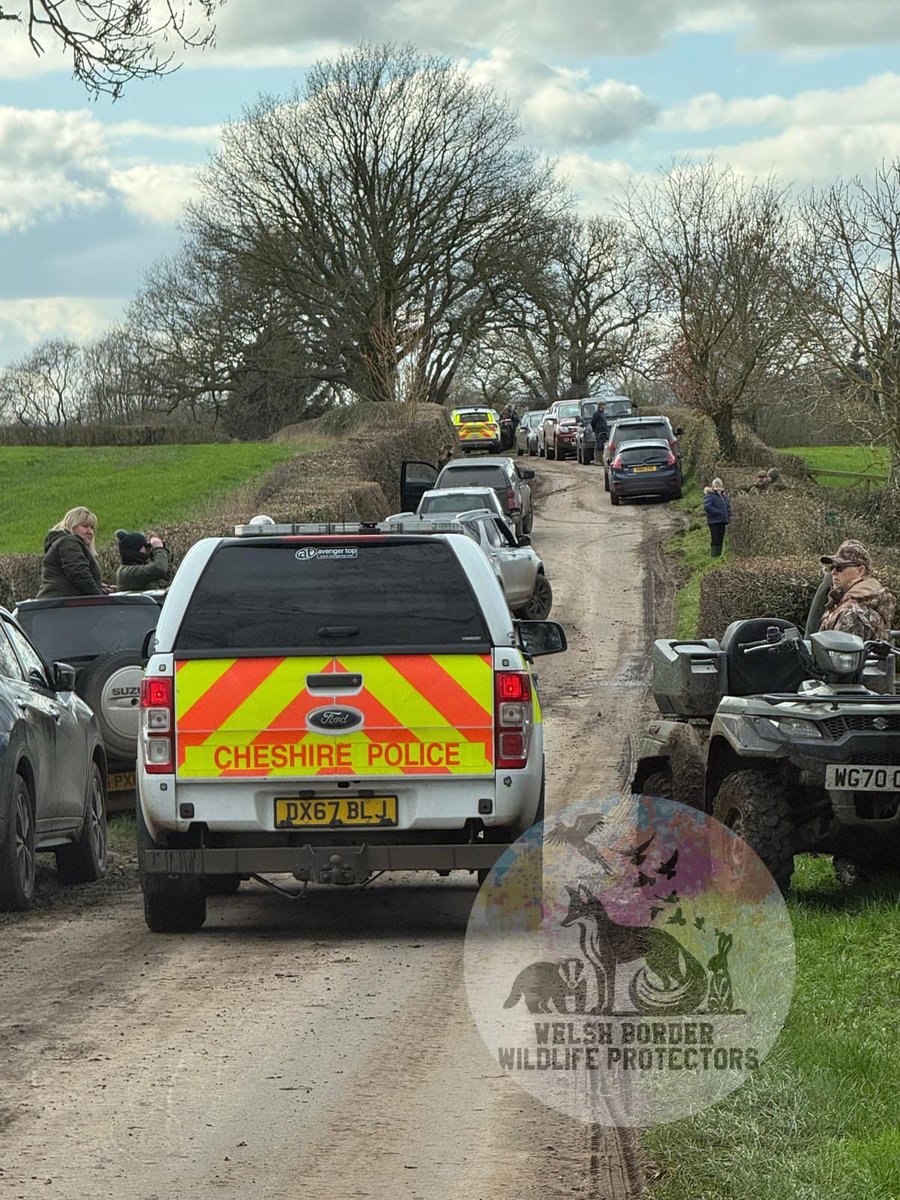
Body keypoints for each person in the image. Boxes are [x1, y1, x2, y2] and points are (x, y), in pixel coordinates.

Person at [818, 540, 895, 641]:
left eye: (840, 567)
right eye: (832, 567)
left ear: (860, 571)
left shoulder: (852, 612)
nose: (833, 572)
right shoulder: (854, 601)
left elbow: (841, 655)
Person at [38, 506, 107, 598]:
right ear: (72, 526)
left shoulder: (63, 542)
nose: (90, 531)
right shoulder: (68, 542)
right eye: (85, 526)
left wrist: (99, 587)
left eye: (92, 527)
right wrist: (99, 598)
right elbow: (79, 575)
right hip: (63, 607)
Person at [702, 478, 731, 557]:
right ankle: (714, 555)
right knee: (715, 538)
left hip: (722, 520)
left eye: (719, 486)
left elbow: (727, 506)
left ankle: (719, 554)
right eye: (716, 486)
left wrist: (728, 515)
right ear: (713, 487)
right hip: (713, 521)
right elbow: (707, 507)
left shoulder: (723, 496)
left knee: (721, 537)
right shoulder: (709, 495)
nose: (718, 488)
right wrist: (718, 512)